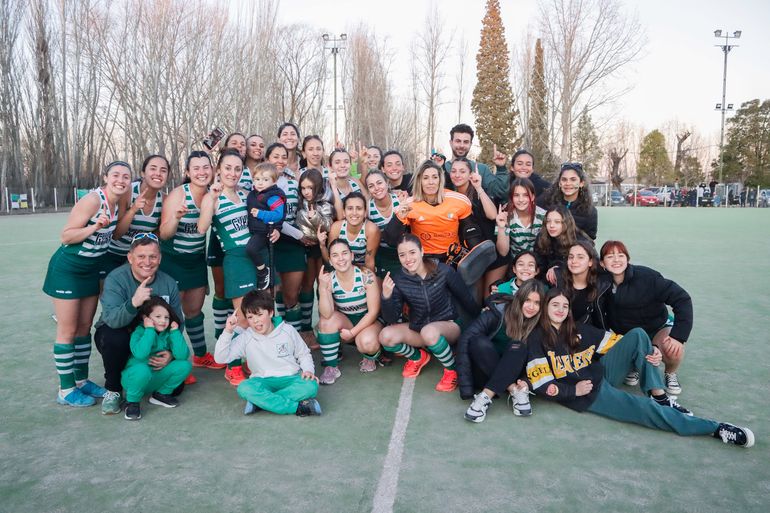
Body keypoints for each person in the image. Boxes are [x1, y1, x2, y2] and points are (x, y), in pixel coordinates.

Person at [525, 288, 754, 448]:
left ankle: (658, 394)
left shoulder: (576, 329)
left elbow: (621, 343)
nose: (561, 309)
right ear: (545, 308)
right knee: (644, 410)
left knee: (638, 335)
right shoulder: (536, 339)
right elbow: (542, 384)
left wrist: (649, 350)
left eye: (565, 305)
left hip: (600, 372)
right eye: (555, 305)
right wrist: (573, 391)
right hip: (588, 393)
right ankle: (714, 429)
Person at [43, 160, 131, 407]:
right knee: (68, 330)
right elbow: (67, 236)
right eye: (115, 175)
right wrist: (94, 227)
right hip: (69, 270)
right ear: (105, 177)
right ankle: (66, 389)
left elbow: (115, 233)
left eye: (125, 176)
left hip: (92, 269)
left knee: (84, 328)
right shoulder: (93, 200)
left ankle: (81, 381)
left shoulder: (119, 201)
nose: (120, 180)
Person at [94, 234, 184, 414]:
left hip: (153, 340)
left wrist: (171, 353)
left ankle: (144, 380)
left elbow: (177, 322)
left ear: (160, 258)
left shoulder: (168, 282)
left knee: (177, 388)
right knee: (113, 337)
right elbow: (112, 320)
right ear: (130, 257)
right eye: (141, 256)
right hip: (122, 334)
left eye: (153, 256)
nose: (147, 262)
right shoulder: (116, 279)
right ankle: (113, 389)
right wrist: (133, 302)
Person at [379, 234, 480, 392]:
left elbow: (466, 299)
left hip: (449, 326)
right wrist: (386, 296)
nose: (408, 259)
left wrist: (479, 320)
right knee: (385, 336)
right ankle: (418, 357)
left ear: (422, 251)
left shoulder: (443, 271)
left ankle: (452, 370)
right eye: (402, 255)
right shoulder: (399, 279)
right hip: (420, 329)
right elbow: (391, 317)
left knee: (429, 331)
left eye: (412, 252)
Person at [198, 150, 264, 385]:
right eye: (228, 168)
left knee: (261, 313)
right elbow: (202, 227)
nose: (233, 173)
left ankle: (253, 360)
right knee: (244, 317)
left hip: (257, 255)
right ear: (218, 170)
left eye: (237, 169)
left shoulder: (246, 194)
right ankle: (232, 365)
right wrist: (212, 199)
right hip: (236, 259)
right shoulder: (212, 197)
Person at [600, 240, 693, 395]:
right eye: (610, 256)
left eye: (621, 255)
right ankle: (636, 365)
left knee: (672, 348)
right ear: (602, 263)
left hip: (657, 327)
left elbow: (682, 299)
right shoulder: (600, 283)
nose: (616, 260)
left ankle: (670, 373)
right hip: (629, 334)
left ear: (627, 259)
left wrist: (678, 337)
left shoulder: (647, 277)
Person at [159, 151, 222, 376]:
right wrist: (176, 218)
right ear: (187, 172)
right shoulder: (178, 195)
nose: (201, 172)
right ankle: (175, 361)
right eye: (196, 168)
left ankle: (200, 355)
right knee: (172, 314)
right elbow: (164, 234)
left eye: (206, 167)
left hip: (196, 260)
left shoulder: (213, 193)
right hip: (173, 260)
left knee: (194, 311)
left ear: (212, 170)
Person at [214, 290, 322, 417]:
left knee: (311, 386)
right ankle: (297, 407)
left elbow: (303, 354)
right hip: (262, 381)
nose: (255, 321)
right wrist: (227, 331)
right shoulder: (246, 337)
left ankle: (261, 402)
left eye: (259, 315)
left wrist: (308, 370)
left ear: (270, 312)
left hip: (291, 378)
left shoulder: (287, 330)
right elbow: (220, 358)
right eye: (250, 317)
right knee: (244, 387)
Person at [458, 280, 545, 422]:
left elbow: (539, 358)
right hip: (485, 372)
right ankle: (513, 390)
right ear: (519, 298)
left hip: (515, 374)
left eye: (537, 303)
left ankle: (485, 396)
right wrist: (466, 386)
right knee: (477, 341)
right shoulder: (498, 311)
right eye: (527, 300)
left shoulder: (540, 323)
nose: (531, 307)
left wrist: (526, 382)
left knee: (518, 346)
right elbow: (466, 339)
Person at [316, 239, 384, 383]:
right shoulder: (329, 279)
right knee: (325, 322)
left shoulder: (366, 276)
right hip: (347, 322)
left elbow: (373, 312)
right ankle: (331, 367)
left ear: (352, 255)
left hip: (369, 322)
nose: (341, 258)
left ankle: (370, 357)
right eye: (335, 255)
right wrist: (322, 288)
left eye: (344, 253)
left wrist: (353, 333)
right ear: (330, 260)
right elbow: (327, 314)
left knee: (367, 343)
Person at [121, 296, 192, 420]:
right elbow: (140, 354)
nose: (163, 321)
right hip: (134, 379)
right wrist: (149, 330)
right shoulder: (139, 332)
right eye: (158, 316)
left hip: (156, 377)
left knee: (184, 365)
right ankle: (132, 402)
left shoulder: (169, 333)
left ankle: (161, 394)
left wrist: (175, 332)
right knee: (142, 370)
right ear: (146, 318)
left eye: (166, 317)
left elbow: (183, 355)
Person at [386, 160, 472, 261]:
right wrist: (399, 218)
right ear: (419, 181)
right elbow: (391, 240)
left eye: (435, 177)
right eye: (425, 178)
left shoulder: (458, 200)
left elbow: (471, 232)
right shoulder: (408, 204)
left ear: (440, 179)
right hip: (423, 258)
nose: (431, 182)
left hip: (452, 256)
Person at [295, 167, 342, 342]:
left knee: (323, 286)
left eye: (310, 188)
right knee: (306, 285)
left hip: (323, 248)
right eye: (303, 188)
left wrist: (314, 216)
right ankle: (306, 328)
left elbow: (328, 226)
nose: (306, 192)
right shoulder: (300, 203)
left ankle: (325, 325)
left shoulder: (325, 203)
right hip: (305, 247)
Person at [103, 155, 169, 274]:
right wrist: (133, 210)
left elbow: (158, 234)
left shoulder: (165, 200)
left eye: (163, 170)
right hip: (113, 254)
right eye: (153, 168)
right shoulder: (127, 192)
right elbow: (116, 234)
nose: (158, 173)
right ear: (143, 173)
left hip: (140, 259)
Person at [448, 156, 504, 296]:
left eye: (462, 171)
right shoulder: (450, 197)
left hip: (492, 254)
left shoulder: (478, 192)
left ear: (470, 174)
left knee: (489, 298)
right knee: (474, 300)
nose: (457, 175)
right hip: (471, 257)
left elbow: (493, 215)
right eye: (454, 171)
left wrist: (479, 187)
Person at [245, 162, 287, 290]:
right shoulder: (253, 193)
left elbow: (278, 214)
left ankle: (263, 271)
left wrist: (260, 214)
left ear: (274, 181)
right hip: (255, 229)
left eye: (265, 180)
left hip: (264, 231)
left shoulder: (273, 196)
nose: (260, 183)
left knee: (251, 249)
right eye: (257, 179)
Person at [443, 124, 509, 202]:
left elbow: (500, 194)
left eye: (466, 142)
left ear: (470, 144)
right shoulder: (441, 169)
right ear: (451, 143)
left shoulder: (481, 169)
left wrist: (501, 169)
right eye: (458, 141)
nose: (462, 145)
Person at [320, 192, 379, 273]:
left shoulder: (371, 229)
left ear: (365, 213)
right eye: (350, 208)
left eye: (359, 208)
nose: (354, 213)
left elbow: (369, 262)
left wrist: (369, 279)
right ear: (344, 212)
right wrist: (322, 245)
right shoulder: (336, 228)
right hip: (340, 268)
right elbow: (330, 259)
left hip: (362, 269)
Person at [559, 241, 611, 330]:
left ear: (590, 262)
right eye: (571, 257)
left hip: (591, 334)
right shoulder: (558, 283)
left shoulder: (601, 287)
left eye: (580, 257)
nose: (574, 261)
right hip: (561, 333)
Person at [538, 162, 597, 240]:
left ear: (581, 183)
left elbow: (589, 239)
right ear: (559, 183)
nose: (568, 183)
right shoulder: (546, 201)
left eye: (573, 180)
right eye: (564, 179)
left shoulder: (590, 211)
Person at [365, 169, 405, 278]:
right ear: (368, 190)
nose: (376, 188)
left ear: (387, 183)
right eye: (371, 186)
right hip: (382, 253)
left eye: (379, 183)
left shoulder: (400, 200)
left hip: (402, 249)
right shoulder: (368, 208)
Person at [495, 177, 546, 259]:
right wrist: (501, 227)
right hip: (516, 261)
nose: (521, 200)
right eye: (516, 195)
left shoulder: (543, 216)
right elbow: (503, 252)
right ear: (511, 198)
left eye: (526, 195)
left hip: (539, 261)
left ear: (533, 197)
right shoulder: (504, 217)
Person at [535, 205, 588, 286]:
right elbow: (540, 264)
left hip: (575, 281)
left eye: (557, 222)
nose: (551, 225)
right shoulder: (542, 237)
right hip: (547, 280)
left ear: (566, 223)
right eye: (548, 221)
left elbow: (587, 266)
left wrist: (559, 268)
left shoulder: (580, 241)